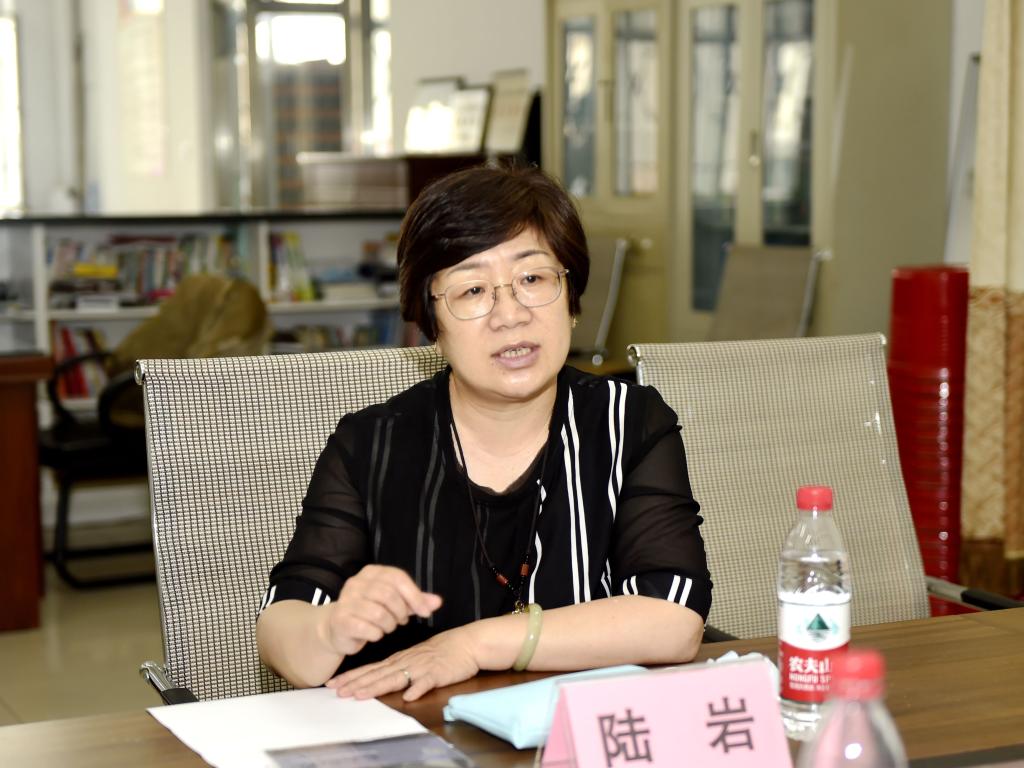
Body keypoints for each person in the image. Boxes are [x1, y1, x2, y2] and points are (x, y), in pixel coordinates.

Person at [255, 164, 712, 702]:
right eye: (473, 289)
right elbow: (282, 627)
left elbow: (673, 617)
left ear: (571, 297)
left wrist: (471, 645)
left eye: (533, 279)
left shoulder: (629, 422)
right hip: (416, 734)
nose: (510, 315)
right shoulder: (372, 444)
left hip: (578, 731)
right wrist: (331, 630)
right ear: (431, 322)